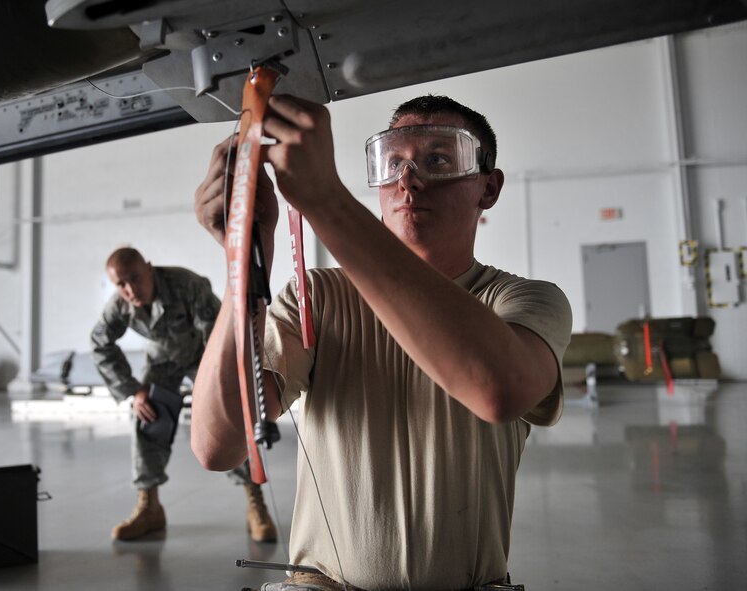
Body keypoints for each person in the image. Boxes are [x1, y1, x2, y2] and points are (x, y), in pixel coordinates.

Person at [191, 95, 572, 590]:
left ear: (489, 187)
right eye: (392, 163)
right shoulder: (316, 296)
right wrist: (244, 262)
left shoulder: (523, 302)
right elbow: (217, 445)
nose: (408, 181)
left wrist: (326, 200)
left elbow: (498, 389)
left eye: (439, 159)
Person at [91, 247, 277, 542]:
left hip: (206, 356)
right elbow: (99, 342)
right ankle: (149, 506)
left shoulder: (187, 285)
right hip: (162, 359)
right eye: (121, 284)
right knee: (147, 415)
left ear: (149, 268)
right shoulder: (120, 305)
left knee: (230, 419)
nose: (130, 290)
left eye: (135, 278)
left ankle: (256, 504)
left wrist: (211, 389)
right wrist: (134, 390)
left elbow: (219, 334)